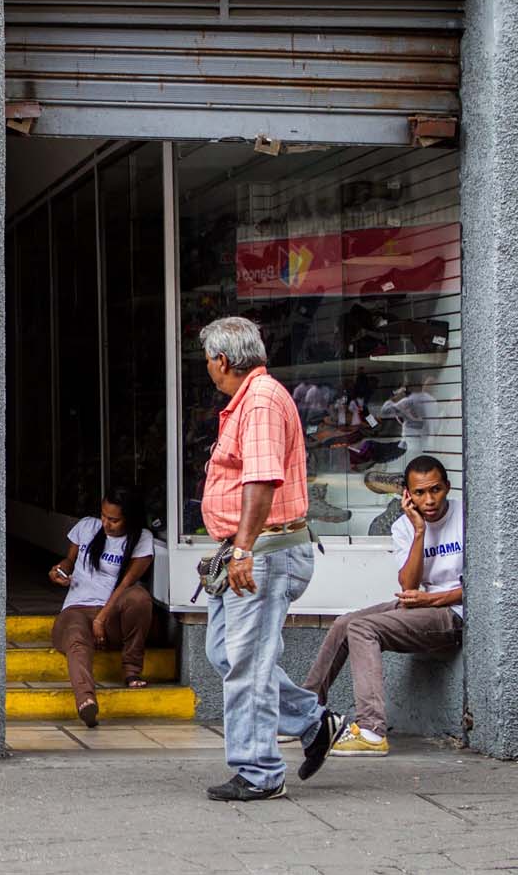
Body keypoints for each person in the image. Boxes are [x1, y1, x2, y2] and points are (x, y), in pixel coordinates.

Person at [198, 316, 345, 802]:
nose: (208, 371)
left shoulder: (259, 400)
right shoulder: (253, 399)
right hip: (251, 550)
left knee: (249, 664)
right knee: (225, 653)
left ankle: (260, 772)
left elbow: (261, 482)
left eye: (208, 362)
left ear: (222, 360)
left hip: (264, 552)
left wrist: (242, 548)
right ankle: (312, 720)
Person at [303, 454, 463, 758]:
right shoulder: (405, 526)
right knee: (343, 624)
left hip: (453, 614)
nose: (429, 500)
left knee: (363, 628)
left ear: (447, 487)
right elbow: (409, 586)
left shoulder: (465, 517)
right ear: (407, 495)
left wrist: (432, 599)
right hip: (422, 606)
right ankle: (303, 714)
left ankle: (372, 731)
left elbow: (480, 589)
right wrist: (419, 532)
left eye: (436, 490)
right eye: (419, 493)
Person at [49, 486, 154, 728]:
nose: (106, 523)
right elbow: (70, 560)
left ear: (130, 518)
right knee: (76, 637)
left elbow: (126, 584)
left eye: (114, 520)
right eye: (104, 516)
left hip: (111, 614)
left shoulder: (141, 539)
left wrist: (101, 618)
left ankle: (131, 670)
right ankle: (86, 701)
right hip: (75, 609)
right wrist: (60, 570)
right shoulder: (87, 526)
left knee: (138, 597)